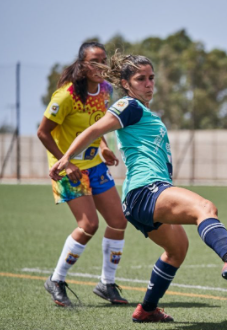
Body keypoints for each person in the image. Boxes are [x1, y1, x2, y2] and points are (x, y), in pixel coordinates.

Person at [49, 52, 227, 323]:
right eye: (140, 79)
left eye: (151, 78)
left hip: (142, 198)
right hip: (146, 190)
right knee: (205, 207)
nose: (148, 84)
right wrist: (66, 157)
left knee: (177, 250)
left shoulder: (141, 110)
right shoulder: (128, 105)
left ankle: (147, 309)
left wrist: (105, 150)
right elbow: (93, 130)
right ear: (126, 83)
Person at [37, 42, 128, 307]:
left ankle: (107, 284)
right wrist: (66, 164)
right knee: (89, 225)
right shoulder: (65, 96)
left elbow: (97, 127)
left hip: (95, 166)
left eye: (104, 60)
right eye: (94, 61)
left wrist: (104, 148)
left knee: (118, 222)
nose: (101, 65)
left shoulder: (105, 91)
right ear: (83, 65)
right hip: (67, 169)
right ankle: (56, 279)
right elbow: (43, 132)